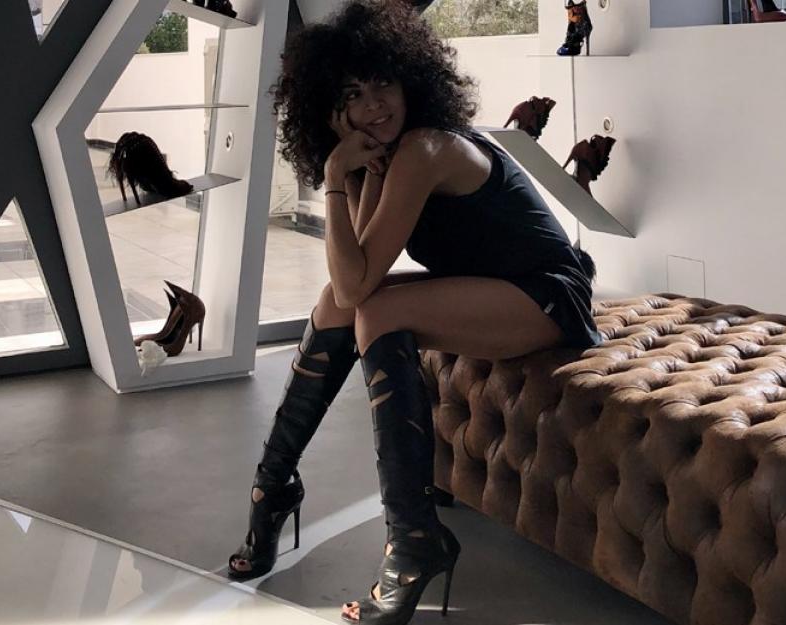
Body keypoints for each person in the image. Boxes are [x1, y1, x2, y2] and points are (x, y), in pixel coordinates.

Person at [227, 1, 604, 623]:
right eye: (352, 95)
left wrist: (332, 174)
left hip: (546, 294)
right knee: (338, 306)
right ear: (332, 111)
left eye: (383, 83)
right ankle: (274, 485)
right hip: (487, 286)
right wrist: (354, 173)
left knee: (375, 313)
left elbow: (358, 284)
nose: (374, 104)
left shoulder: (426, 149)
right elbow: (349, 280)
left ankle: (412, 540)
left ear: (411, 79)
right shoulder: (388, 156)